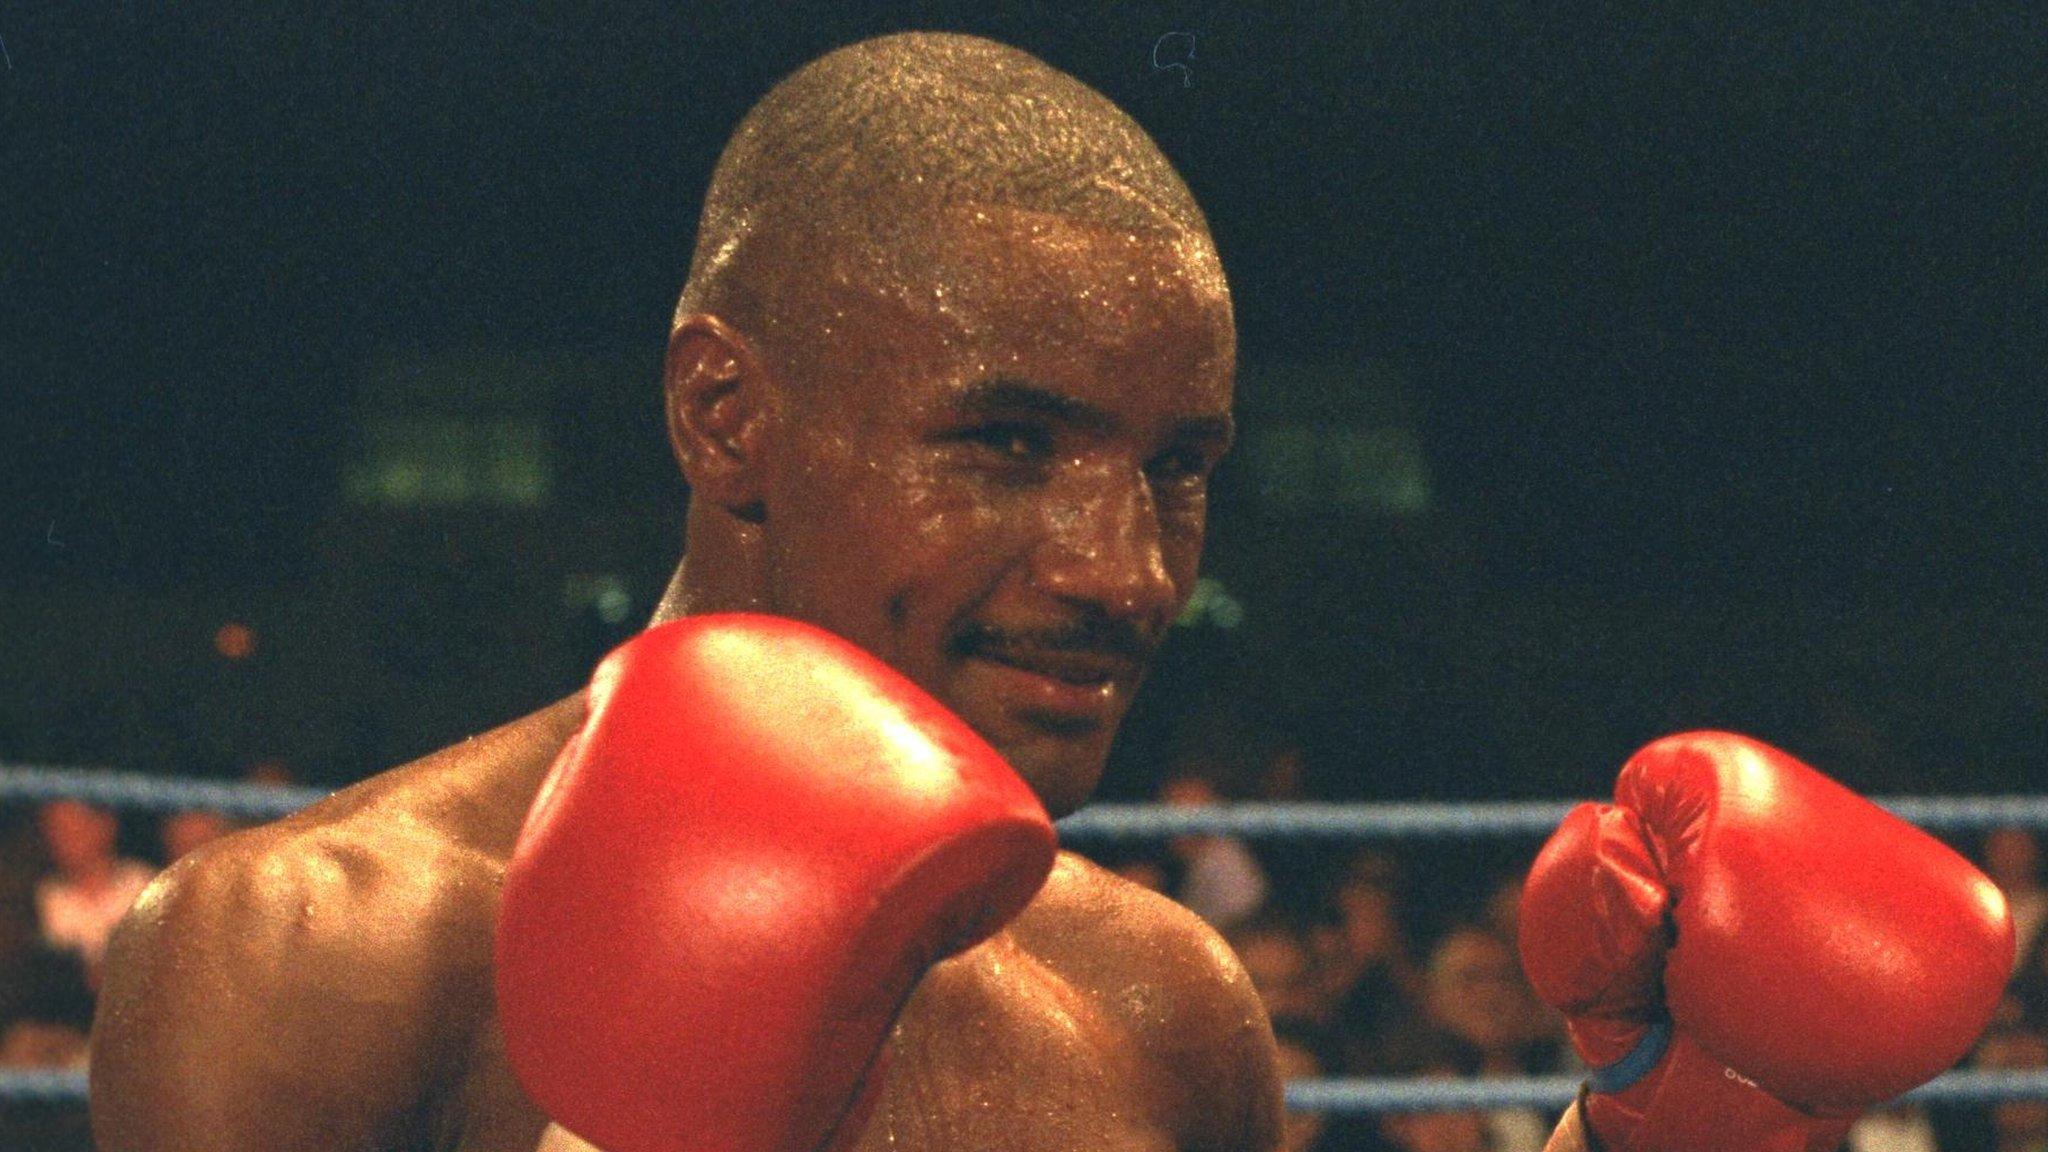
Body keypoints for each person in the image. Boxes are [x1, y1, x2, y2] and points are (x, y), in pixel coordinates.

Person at [91, 32, 1281, 1152]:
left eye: (1175, 468)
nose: (1121, 573)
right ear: (725, 419)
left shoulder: (1165, 1013)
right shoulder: (314, 950)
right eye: (1006, 443)